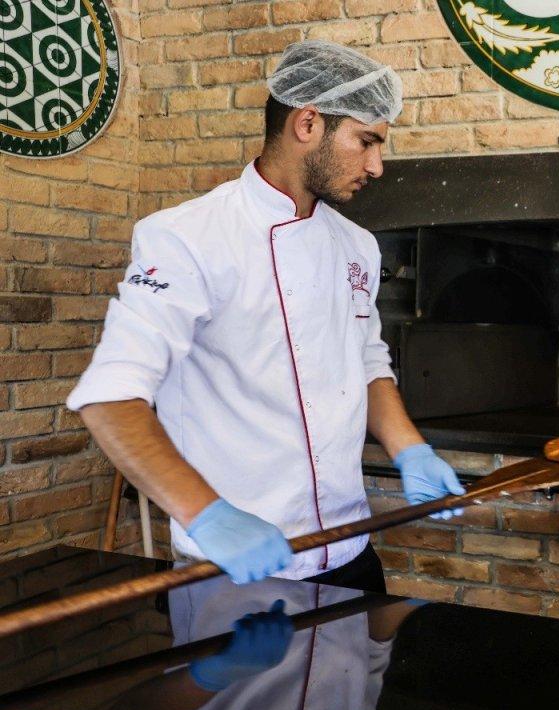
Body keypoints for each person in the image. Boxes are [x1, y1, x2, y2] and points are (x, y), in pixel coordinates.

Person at [68, 39, 465, 592]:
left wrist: (410, 449)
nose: (377, 166)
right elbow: (110, 397)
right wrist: (206, 515)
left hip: (351, 556)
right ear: (307, 124)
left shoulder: (357, 247)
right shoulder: (185, 237)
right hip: (235, 568)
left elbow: (368, 360)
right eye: (367, 140)